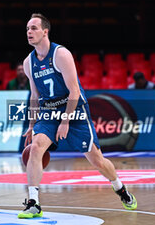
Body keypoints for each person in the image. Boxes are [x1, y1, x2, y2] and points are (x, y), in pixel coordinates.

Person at [18, 13, 137, 219]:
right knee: (36, 147)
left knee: (97, 161)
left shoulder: (61, 54)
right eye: (28, 28)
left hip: (74, 111)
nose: (29, 32)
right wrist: (31, 124)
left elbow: (74, 91)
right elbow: (35, 96)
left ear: (45, 31)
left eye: (34, 28)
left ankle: (120, 188)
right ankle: (33, 203)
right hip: (49, 111)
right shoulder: (28, 62)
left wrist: (65, 121)